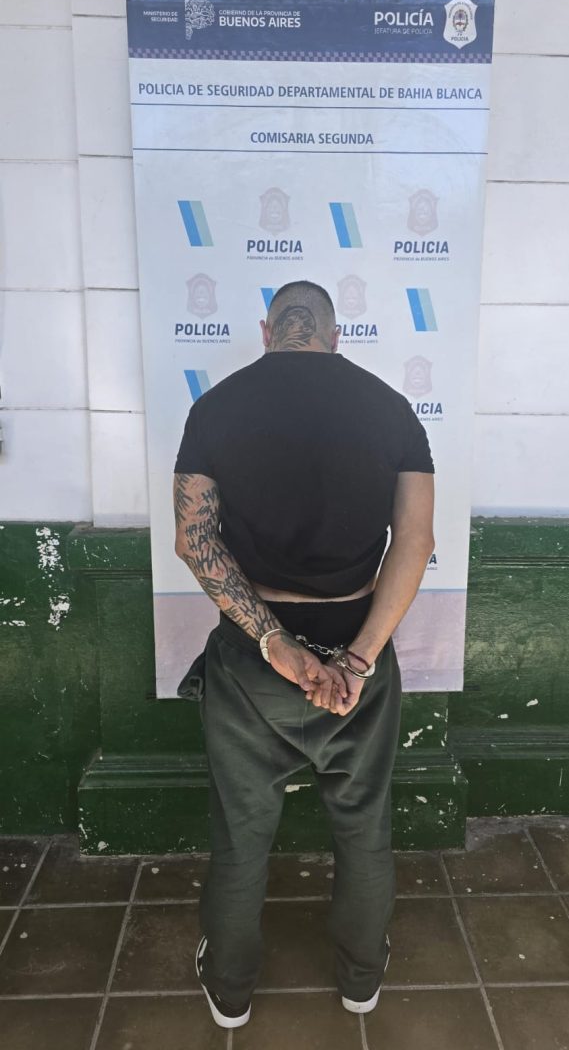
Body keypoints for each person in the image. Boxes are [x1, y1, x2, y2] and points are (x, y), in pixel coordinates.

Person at [173, 280, 435, 1029]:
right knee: (363, 827)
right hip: (357, 658)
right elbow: (416, 541)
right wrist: (357, 659)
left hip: (252, 662)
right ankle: (361, 978)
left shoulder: (216, 407)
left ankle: (230, 989)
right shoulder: (390, 407)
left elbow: (194, 540)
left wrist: (274, 642)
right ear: (334, 333)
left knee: (241, 833)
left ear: (267, 332)